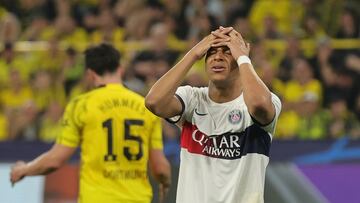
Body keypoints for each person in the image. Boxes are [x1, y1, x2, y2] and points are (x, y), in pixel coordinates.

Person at [10, 43, 171, 203]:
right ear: (120, 69)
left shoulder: (81, 105)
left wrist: (24, 169)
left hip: (97, 198)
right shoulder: (145, 107)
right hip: (137, 198)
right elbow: (160, 168)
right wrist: (165, 183)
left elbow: (55, 160)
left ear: (90, 74)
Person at [145, 26, 282, 203]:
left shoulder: (263, 100)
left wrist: (242, 57)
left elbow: (259, 105)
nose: (217, 57)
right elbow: (153, 102)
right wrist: (193, 53)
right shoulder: (192, 99)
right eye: (211, 51)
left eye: (227, 51)